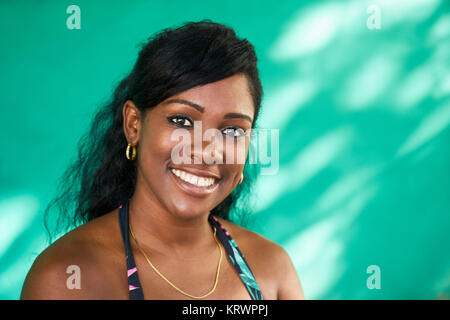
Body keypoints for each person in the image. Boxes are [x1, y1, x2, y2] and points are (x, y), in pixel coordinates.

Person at [20, 20, 304, 300]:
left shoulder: (272, 269)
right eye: (181, 120)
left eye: (232, 131)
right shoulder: (67, 278)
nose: (206, 151)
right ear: (134, 125)